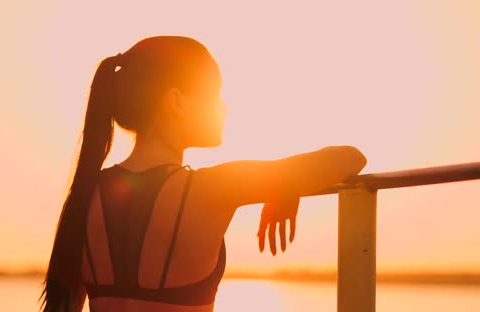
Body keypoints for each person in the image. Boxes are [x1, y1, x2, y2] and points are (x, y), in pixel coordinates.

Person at [38, 35, 367, 312]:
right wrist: (288, 183)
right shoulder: (213, 188)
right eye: (214, 93)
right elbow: (351, 158)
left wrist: (286, 183)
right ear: (176, 101)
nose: (226, 107)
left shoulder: (86, 195)